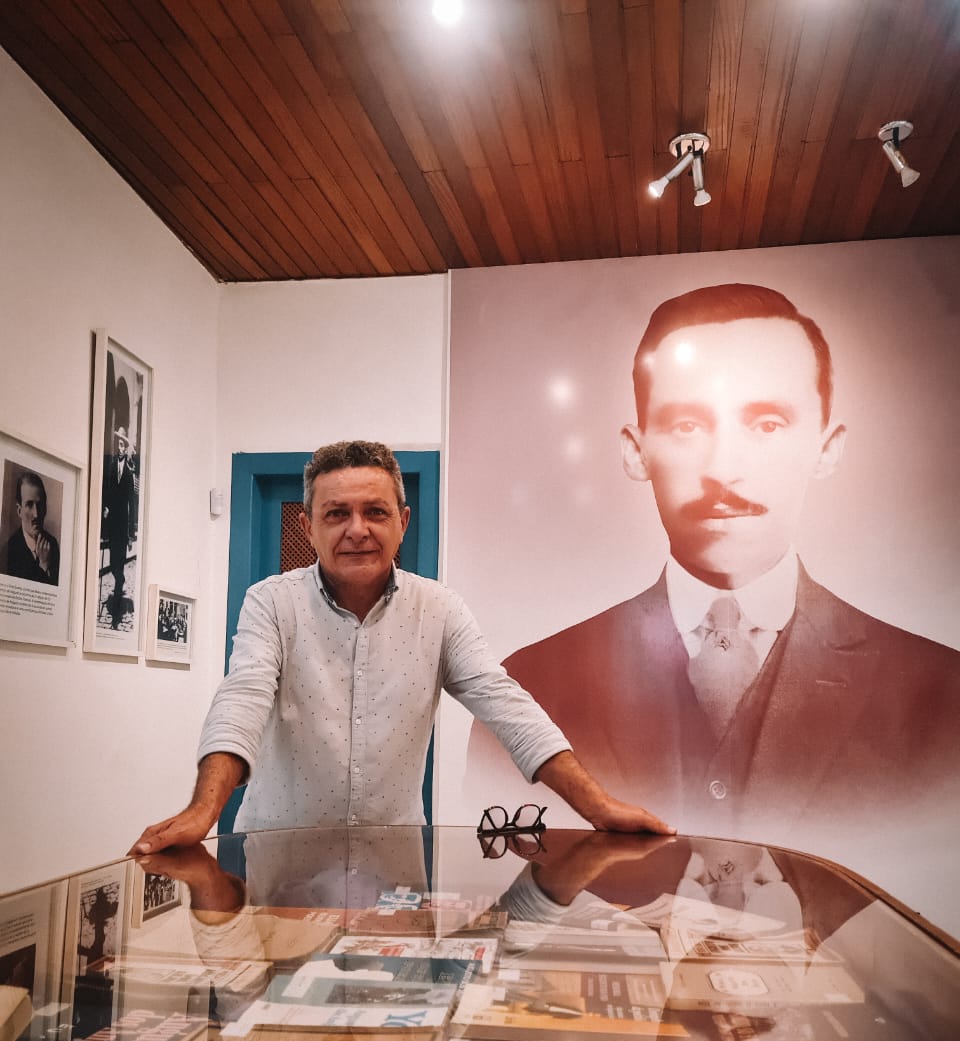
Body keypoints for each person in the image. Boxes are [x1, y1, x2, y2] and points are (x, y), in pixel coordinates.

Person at [470, 283, 960, 856]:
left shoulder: (941, 694)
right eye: (687, 426)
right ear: (636, 451)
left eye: (768, 423)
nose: (724, 470)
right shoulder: (533, 683)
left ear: (826, 447)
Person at [131, 440, 672, 862]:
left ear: (403, 522)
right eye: (336, 514)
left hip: (392, 877)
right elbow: (242, 698)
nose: (357, 530)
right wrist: (204, 812)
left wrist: (599, 806)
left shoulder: (440, 609)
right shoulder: (271, 602)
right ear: (307, 526)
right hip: (279, 864)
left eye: (376, 511)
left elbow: (508, 708)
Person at [101, 378, 137, 622]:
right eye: (119, 443)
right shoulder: (111, 465)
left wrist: (132, 532)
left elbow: (132, 503)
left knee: (120, 561)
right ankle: (117, 580)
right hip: (112, 520)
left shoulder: (130, 472)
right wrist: (104, 508)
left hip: (123, 524)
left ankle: (119, 582)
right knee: (113, 559)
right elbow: (106, 490)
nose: (121, 447)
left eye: (124, 444)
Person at [2, 471, 60, 585]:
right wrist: (43, 566)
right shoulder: (8, 553)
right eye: (29, 505)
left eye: (40, 505)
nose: (36, 514)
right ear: (19, 511)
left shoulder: (52, 544)